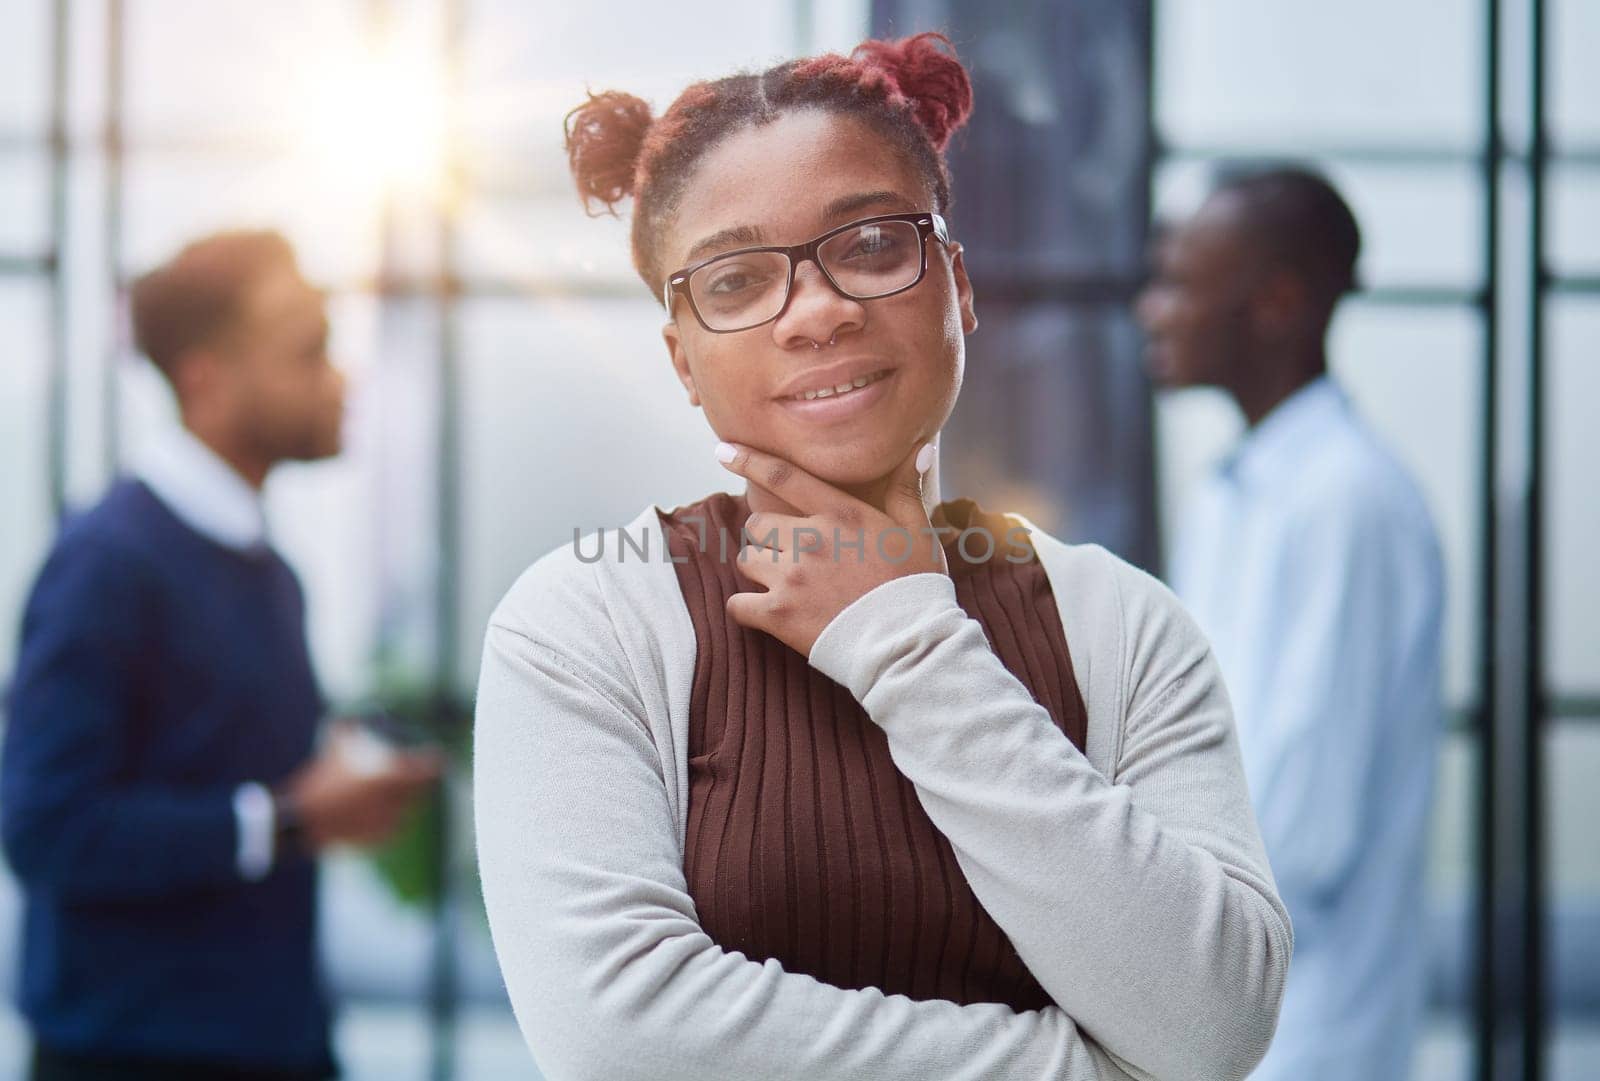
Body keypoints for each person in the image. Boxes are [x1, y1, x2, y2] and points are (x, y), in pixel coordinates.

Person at [474, 34, 1291, 1081]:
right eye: (735, 278)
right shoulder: (587, 620)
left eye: (867, 245)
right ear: (682, 353)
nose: (816, 311)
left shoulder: (1121, 625)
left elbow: (1213, 1023)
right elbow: (621, 1034)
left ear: (956, 281)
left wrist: (907, 636)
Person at [2, 230, 441, 1081]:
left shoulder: (267, 568)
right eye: (307, 350)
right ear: (205, 376)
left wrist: (326, 792)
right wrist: (290, 817)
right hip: (133, 1056)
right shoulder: (108, 562)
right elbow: (44, 827)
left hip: (274, 1041)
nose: (340, 376)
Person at [1137, 166, 1446, 1081]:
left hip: (1306, 1043)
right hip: (1221, 1025)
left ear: (1275, 303)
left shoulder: (1347, 501)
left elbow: (1299, 835)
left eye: (1180, 283)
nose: (1152, 311)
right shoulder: (1238, 494)